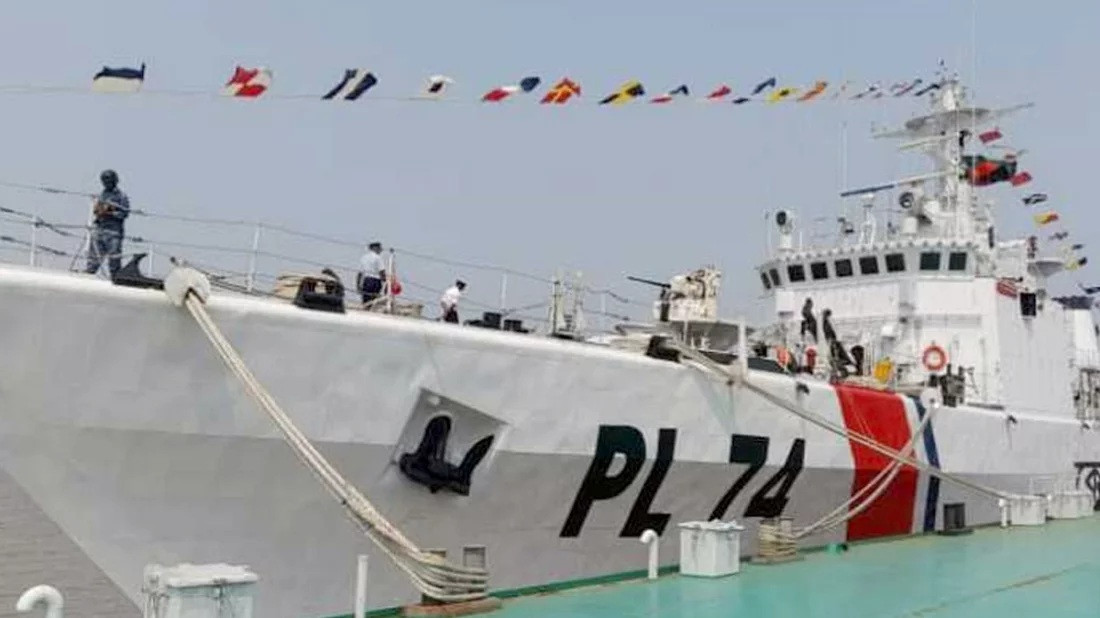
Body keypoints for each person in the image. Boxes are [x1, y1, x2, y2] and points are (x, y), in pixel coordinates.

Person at [85, 169, 130, 277]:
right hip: (100, 228)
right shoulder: (102, 194)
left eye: (108, 180)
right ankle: (90, 272)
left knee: (114, 256)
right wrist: (99, 211)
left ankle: (115, 276)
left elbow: (124, 213)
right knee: (94, 254)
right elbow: (97, 209)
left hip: (113, 231)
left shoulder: (121, 196)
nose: (106, 183)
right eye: (104, 181)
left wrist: (110, 212)